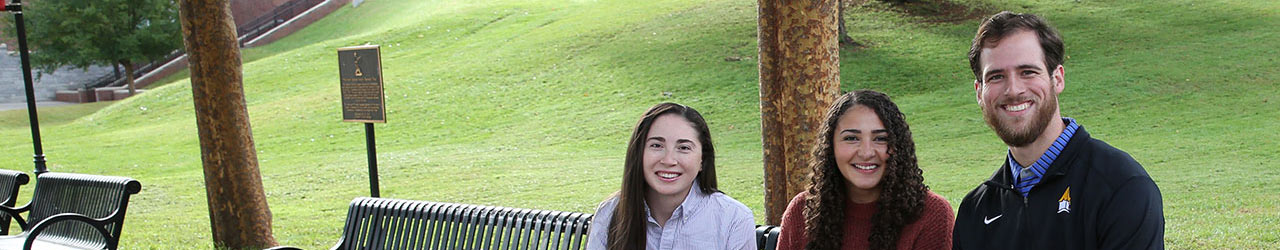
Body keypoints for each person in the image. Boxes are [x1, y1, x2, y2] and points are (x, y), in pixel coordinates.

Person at [952, 11, 1164, 250]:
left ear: (1057, 78)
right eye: (996, 76)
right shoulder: (975, 209)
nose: (1013, 90)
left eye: (1028, 72)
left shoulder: (1122, 187)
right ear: (979, 92)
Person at [776, 90, 954, 250]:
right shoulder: (802, 211)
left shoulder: (931, 214)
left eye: (881, 138)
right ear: (830, 147)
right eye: (851, 138)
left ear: (898, 146)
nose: (867, 152)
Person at [588, 103, 757, 250]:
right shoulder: (610, 212)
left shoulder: (733, 218)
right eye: (656, 145)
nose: (668, 160)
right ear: (638, 154)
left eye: (684, 148)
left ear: (702, 160)